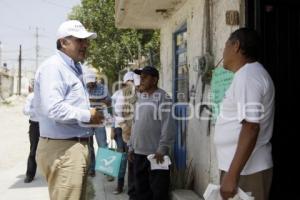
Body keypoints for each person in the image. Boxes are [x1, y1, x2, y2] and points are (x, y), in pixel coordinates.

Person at [34, 20, 102, 200]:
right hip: (63, 150)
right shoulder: (53, 67)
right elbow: (54, 108)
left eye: (86, 41)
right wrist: (88, 115)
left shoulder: (73, 68)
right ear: (64, 42)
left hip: (73, 148)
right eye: (80, 40)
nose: (85, 45)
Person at [214, 28, 275, 200]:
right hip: (241, 168)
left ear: (236, 46)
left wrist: (232, 175)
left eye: (225, 45)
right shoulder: (246, 75)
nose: (223, 52)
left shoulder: (248, 76)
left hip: (247, 171)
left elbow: (251, 127)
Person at [128, 66, 175, 200]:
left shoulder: (163, 97)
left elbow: (168, 124)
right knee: (141, 191)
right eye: (140, 77)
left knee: (159, 192)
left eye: (145, 77)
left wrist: (162, 148)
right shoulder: (140, 97)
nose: (141, 79)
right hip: (138, 153)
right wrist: (131, 147)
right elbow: (135, 123)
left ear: (154, 80)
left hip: (156, 155)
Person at [111, 71, 139, 197]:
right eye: (129, 81)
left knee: (132, 159)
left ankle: (132, 187)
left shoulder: (138, 92)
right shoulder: (120, 93)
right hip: (121, 130)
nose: (131, 84)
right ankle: (120, 185)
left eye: (132, 81)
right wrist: (121, 127)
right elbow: (115, 113)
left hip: (132, 130)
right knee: (123, 158)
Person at [84, 69, 112, 178]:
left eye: (92, 82)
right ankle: (92, 168)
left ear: (95, 80)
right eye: (88, 82)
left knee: (103, 145)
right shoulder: (83, 88)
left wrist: (93, 102)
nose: (90, 84)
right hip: (87, 118)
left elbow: (109, 101)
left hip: (99, 118)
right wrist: (98, 102)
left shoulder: (102, 88)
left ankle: (107, 171)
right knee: (89, 146)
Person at [23, 85, 39, 183]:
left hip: (48, 125)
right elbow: (25, 110)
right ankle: (30, 175)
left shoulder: (49, 95)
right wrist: (38, 110)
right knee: (33, 150)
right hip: (35, 126)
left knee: (50, 148)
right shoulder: (31, 96)